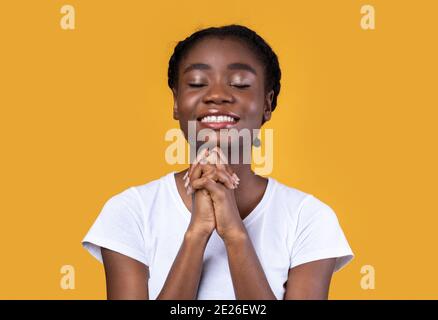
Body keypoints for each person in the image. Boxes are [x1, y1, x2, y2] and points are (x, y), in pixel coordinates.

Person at [82, 24, 354, 300]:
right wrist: (196, 234)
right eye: (198, 83)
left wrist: (235, 234)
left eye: (239, 84)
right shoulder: (131, 211)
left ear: (267, 104)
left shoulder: (308, 218)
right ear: (176, 103)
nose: (217, 95)